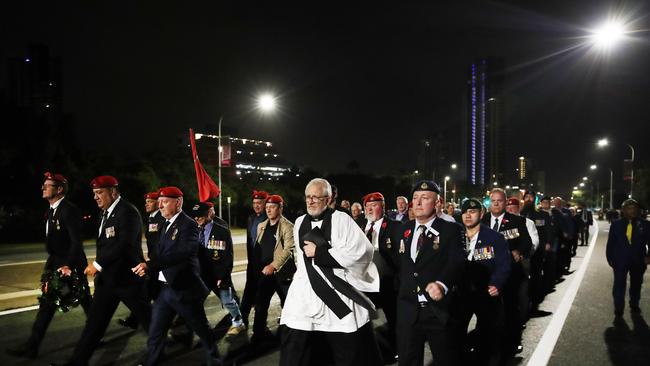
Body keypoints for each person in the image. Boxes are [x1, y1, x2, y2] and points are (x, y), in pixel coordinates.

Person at [279, 178, 380, 366]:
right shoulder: (300, 222)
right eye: (307, 197)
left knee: (347, 351)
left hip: (337, 294)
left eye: (315, 197)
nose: (310, 201)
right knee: (297, 347)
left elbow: (362, 252)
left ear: (328, 199)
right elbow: (301, 260)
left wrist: (321, 254)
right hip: (305, 295)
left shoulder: (343, 220)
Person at [52, 176, 151, 366]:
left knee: (148, 319)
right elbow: (106, 245)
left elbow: (124, 244)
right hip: (107, 282)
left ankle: (158, 351)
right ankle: (77, 362)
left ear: (113, 192)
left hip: (128, 280)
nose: (96, 197)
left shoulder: (128, 212)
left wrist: (98, 264)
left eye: (100, 193)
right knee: (94, 325)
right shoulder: (104, 213)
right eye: (94, 194)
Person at [7, 173, 91, 359]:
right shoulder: (51, 210)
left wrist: (68, 265)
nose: (43, 188)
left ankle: (33, 347)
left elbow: (76, 242)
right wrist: (49, 269)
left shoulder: (69, 210)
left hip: (70, 264)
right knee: (62, 303)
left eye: (48, 185)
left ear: (59, 189)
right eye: (43, 185)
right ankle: (32, 346)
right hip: (56, 262)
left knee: (74, 302)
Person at [135, 187, 222, 365]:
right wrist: (149, 267)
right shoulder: (165, 224)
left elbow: (184, 253)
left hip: (184, 289)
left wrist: (151, 265)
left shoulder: (188, 224)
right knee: (156, 331)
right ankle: (153, 361)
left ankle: (214, 359)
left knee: (202, 329)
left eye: (165, 201)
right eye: (159, 202)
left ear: (178, 202)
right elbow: (158, 252)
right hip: (165, 289)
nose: (160, 206)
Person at [396, 180, 465, 366]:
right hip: (408, 310)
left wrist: (442, 284)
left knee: (446, 360)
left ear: (437, 202)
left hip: (438, 310)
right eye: (415, 198)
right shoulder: (403, 230)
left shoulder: (451, 230)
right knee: (408, 360)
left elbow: (457, 261)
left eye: (424, 198)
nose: (417, 203)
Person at [455, 198, 510, 366]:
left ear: (481, 213)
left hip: (486, 292)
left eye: (472, 212)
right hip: (461, 293)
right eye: (465, 212)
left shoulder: (494, 237)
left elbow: (503, 264)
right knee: (456, 332)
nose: (468, 215)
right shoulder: (455, 236)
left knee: (487, 333)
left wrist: (497, 284)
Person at [480, 188, 533, 358]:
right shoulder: (482, 220)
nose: (496, 203)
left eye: (499, 200)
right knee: (487, 311)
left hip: (510, 273)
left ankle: (513, 341)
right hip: (487, 274)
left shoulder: (517, 221)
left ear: (505, 202)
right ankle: (488, 342)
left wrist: (519, 251)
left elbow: (527, 242)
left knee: (511, 308)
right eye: (493, 201)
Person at [357, 192, 401, 361]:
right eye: (367, 206)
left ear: (382, 206)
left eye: (374, 205)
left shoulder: (395, 226)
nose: (370, 209)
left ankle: (393, 350)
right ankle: (370, 351)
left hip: (387, 281)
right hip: (364, 280)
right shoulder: (361, 225)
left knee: (392, 318)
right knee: (364, 318)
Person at [192, 202, 245, 336]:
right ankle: (201, 326)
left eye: (200, 216)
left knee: (228, 301)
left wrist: (223, 276)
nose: (197, 219)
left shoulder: (221, 231)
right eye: (195, 216)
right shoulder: (194, 230)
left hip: (218, 275)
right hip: (201, 275)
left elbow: (227, 257)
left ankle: (238, 322)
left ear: (208, 214)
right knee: (195, 302)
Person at [118, 191, 166, 330]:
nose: (147, 204)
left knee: (155, 294)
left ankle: (160, 324)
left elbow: (159, 243)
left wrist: (152, 261)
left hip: (158, 263)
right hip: (153, 262)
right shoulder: (151, 218)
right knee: (148, 293)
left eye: (150, 202)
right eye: (146, 202)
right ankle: (136, 319)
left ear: (158, 203)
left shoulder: (160, 218)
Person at [252, 194, 295, 343]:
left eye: (273, 207)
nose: (269, 210)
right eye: (267, 207)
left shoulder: (288, 226)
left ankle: (291, 335)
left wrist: (273, 265)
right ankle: (258, 335)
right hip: (265, 273)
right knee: (260, 305)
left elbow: (289, 250)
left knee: (289, 305)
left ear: (280, 208)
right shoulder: (261, 226)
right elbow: (258, 247)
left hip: (282, 274)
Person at [605, 199, 650, 317]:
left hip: (638, 260)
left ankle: (634, 303)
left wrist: (648, 256)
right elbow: (611, 243)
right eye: (629, 208)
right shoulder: (616, 224)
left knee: (636, 283)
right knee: (619, 284)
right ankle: (618, 307)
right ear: (623, 210)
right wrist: (610, 258)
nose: (633, 210)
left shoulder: (645, 224)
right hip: (620, 260)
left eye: (635, 208)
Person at [240, 190, 269, 329]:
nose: (256, 206)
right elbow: (249, 241)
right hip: (253, 262)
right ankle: (242, 319)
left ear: (266, 204)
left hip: (266, 263)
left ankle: (260, 328)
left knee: (262, 296)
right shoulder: (251, 218)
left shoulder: (270, 218)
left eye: (259, 203)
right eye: (254, 203)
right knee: (248, 291)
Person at [521, 192, 554, 312]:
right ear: (523, 199)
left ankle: (535, 301)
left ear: (535, 199)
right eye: (527, 197)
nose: (529, 199)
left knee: (536, 275)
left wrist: (548, 243)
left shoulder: (542, 215)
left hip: (538, 251)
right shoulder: (519, 214)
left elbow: (548, 230)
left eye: (531, 197)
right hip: (522, 252)